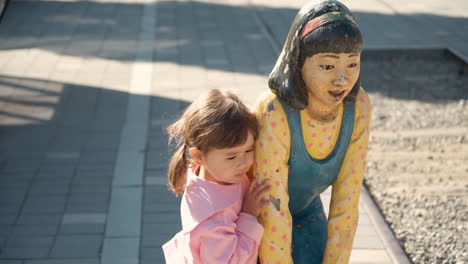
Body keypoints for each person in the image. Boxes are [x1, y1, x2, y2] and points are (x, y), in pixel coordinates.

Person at [254, 0, 371, 263]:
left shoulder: (358, 107)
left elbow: (347, 202)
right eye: (327, 66)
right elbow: (273, 208)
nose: (342, 79)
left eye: (352, 64)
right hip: (250, 219)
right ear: (298, 63)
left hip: (306, 213)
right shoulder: (275, 111)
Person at [162, 89, 271, 264]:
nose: (244, 162)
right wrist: (249, 215)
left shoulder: (214, 168)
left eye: (249, 150)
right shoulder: (212, 218)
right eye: (232, 156)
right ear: (198, 156)